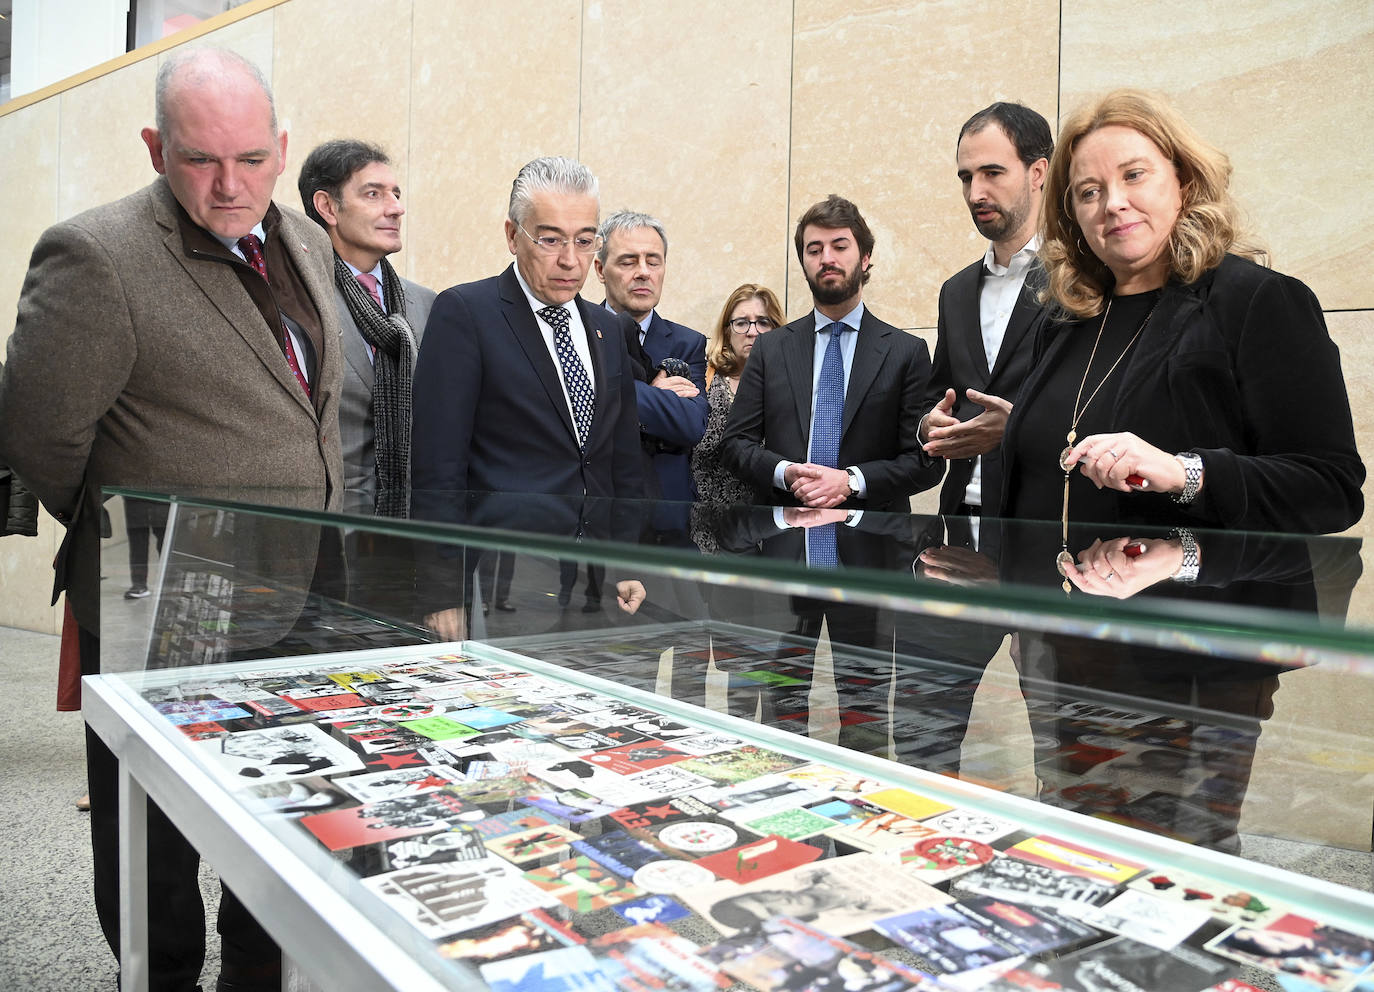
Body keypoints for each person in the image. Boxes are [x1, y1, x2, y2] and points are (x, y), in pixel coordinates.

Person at [0, 47, 342, 992]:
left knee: (276, 814)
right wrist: (131, 530)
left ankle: (256, 975)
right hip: (159, 596)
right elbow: (38, 432)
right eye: (199, 159)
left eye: (248, 159)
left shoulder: (306, 243)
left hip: (298, 597)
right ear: (156, 148)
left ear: (281, 151)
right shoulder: (96, 254)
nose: (229, 184)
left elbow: (309, 413)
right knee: (154, 835)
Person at [1000, 88, 1362, 580]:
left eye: (1134, 175)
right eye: (1090, 191)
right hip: (1058, 634)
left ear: (1184, 182)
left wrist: (1184, 473)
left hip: (1189, 637)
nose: (1114, 203)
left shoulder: (1257, 301)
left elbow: (1330, 491)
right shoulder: (1063, 320)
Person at [411, 156, 646, 633]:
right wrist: (443, 590)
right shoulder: (466, 314)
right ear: (512, 235)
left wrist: (628, 559)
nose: (570, 259)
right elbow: (439, 465)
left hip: (594, 586)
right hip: (502, 582)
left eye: (585, 240)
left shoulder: (608, 327)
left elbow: (621, 458)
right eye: (551, 238)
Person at [720, 195, 942, 526]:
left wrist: (850, 481)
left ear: (865, 258)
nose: (827, 258)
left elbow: (925, 464)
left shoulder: (906, 352)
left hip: (874, 548)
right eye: (814, 249)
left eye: (840, 246)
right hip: (786, 541)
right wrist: (786, 473)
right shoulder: (770, 349)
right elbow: (735, 445)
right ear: (804, 262)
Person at [921, 102, 1053, 522]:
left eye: (992, 173)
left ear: (1038, 173)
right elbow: (938, 392)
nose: (976, 193)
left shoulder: (1080, 280)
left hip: (1049, 524)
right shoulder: (955, 292)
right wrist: (929, 423)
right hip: (959, 516)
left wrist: (1017, 429)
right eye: (966, 177)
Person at [297, 139, 435, 516]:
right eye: (373, 194)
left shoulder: (427, 304)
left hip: (415, 524)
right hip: (325, 523)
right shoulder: (298, 303)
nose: (396, 208)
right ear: (327, 207)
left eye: (396, 194)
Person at [594, 209, 707, 504]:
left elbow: (691, 425)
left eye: (653, 261)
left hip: (667, 516)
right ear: (599, 269)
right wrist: (656, 397)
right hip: (596, 508)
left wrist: (615, 396)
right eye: (628, 261)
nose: (643, 271)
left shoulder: (687, 343)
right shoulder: (578, 333)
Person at [691, 283, 785, 515]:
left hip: (767, 524)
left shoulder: (789, 387)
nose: (752, 331)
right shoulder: (704, 379)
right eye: (741, 322)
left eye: (763, 322)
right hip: (702, 519)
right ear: (727, 331)